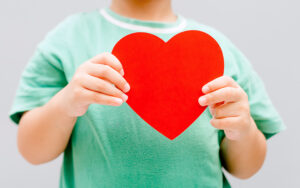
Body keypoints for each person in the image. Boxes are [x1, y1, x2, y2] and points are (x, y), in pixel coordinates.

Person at [9, 0, 286, 187]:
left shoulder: (219, 49)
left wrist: (242, 130)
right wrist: (66, 103)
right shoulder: (67, 39)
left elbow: (246, 168)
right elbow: (32, 150)